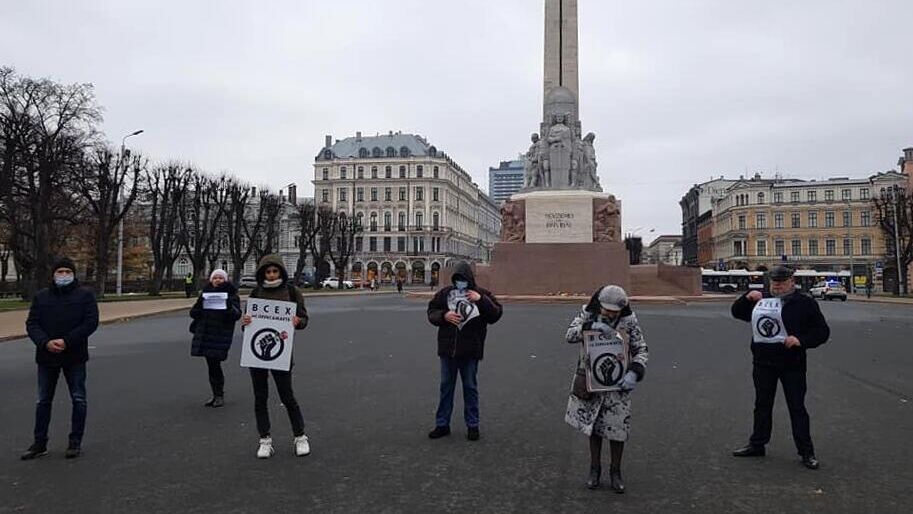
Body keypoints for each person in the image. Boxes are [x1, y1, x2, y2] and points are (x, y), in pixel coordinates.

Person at [730, 265, 830, 470]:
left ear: (792, 282)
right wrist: (746, 299)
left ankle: (806, 451)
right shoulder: (761, 299)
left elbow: (822, 332)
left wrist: (801, 340)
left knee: (797, 407)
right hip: (763, 363)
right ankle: (757, 444)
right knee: (762, 405)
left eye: (782, 282)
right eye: (774, 282)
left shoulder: (805, 304)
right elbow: (737, 313)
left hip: (792, 364)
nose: (777, 286)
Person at [565, 285, 648, 493]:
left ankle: (615, 471)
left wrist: (634, 372)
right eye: (607, 309)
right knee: (593, 428)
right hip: (591, 382)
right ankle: (595, 469)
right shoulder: (588, 314)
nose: (610, 314)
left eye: (614, 311)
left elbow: (641, 349)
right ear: (598, 305)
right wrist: (591, 326)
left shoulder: (629, 321)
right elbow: (569, 335)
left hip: (618, 384)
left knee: (617, 429)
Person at [22, 258, 99, 460]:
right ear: (53, 274)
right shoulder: (42, 297)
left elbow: (90, 323)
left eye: (67, 271)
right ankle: (39, 443)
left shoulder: (85, 296)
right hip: (47, 356)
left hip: (74, 356)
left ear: (73, 274)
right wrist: (45, 342)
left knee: (78, 398)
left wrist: (66, 341)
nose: (63, 275)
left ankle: (75, 442)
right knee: (43, 401)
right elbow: (32, 324)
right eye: (60, 271)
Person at [241, 255, 310, 459]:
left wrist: (298, 321)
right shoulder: (256, 292)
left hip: (282, 353)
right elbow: (249, 327)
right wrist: (245, 322)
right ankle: (265, 440)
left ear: (281, 272)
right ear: (263, 273)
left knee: (287, 396)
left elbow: (304, 319)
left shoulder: (291, 292)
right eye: (268, 272)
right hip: (257, 356)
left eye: (275, 271)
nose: (271, 275)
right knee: (260, 398)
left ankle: (300, 436)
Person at [426, 261, 502, 441]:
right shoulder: (445, 294)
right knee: (446, 388)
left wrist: (480, 300)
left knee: (470, 387)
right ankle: (442, 424)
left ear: (469, 279)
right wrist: (444, 316)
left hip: (470, 350)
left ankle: (473, 425)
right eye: (457, 279)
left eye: (463, 279)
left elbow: (496, 314)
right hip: (448, 350)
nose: (460, 282)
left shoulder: (482, 294)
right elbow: (431, 311)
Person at [189, 269, 242, 408]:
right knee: (212, 365)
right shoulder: (205, 293)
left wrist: (227, 305)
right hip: (206, 334)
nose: (217, 280)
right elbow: (193, 313)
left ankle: (218, 395)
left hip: (220, 334)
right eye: (215, 278)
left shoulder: (231, 295)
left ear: (225, 280)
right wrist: (200, 304)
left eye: (220, 278)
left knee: (215, 364)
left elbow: (236, 315)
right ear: (210, 280)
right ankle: (216, 394)